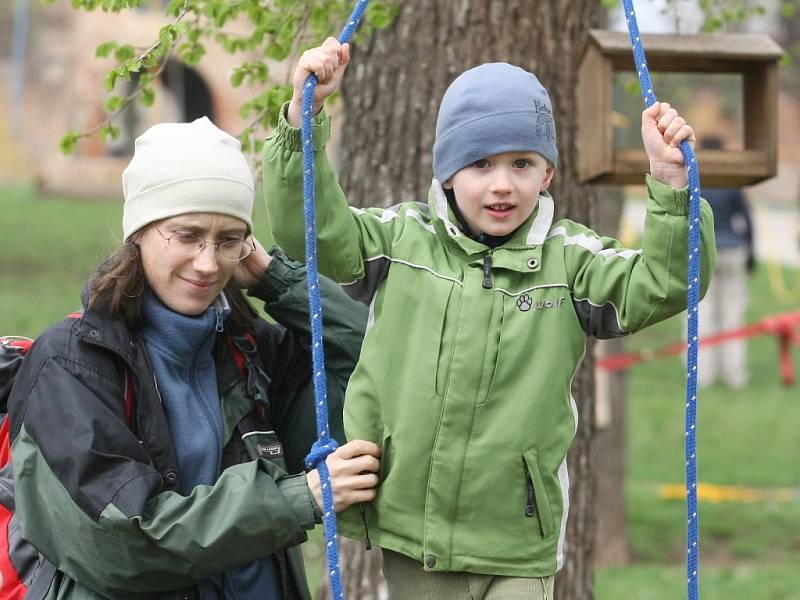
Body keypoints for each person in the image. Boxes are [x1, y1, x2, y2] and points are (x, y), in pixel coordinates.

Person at [263, 38, 716, 599]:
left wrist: (672, 188)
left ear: (547, 174)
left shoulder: (571, 261)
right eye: (480, 164)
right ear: (448, 174)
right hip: (413, 530)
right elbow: (309, 229)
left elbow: (667, 283)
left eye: (521, 164)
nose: (502, 184)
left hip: (516, 540)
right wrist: (301, 121)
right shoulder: (402, 242)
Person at [8, 116, 380, 599]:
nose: (208, 264)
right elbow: (123, 546)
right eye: (187, 235)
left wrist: (276, 280)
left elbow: (371, 358)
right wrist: (299, 498)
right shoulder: (72, 364)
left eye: (228, 240)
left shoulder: (252, 354)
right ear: (139, 232)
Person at [696, 135, 755, 390]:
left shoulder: (697, 180)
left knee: (702, 314)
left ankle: (702, 375)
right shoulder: (732, 181)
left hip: (703, 252)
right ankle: (735, 375)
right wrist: (752, 253)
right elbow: (747, 220)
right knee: (733, 313)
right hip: (732, 250)